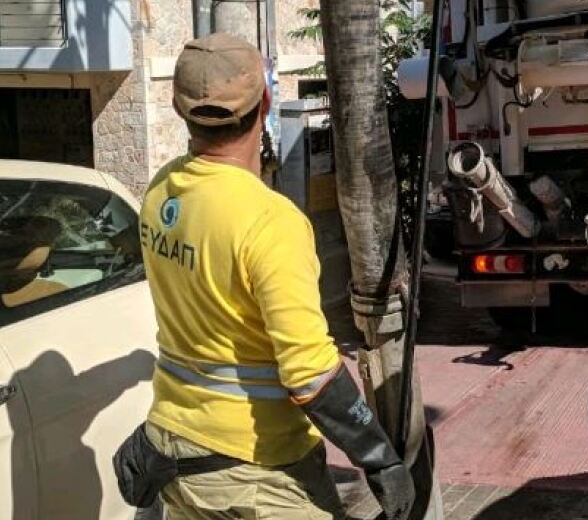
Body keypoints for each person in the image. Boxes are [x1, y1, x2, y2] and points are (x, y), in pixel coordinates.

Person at [136, 33, 413, 519]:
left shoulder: (161, 191)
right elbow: (308, 370)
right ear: (266, 100)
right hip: (254, 471)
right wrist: (379, 459)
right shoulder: (269, 220)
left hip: (175, 453)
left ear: (179, 108)